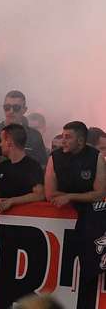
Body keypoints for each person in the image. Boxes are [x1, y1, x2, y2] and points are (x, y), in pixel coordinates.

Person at [44, 121, 106, 307]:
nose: (63, 141)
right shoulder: (54, 158)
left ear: (81, 140)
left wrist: (70, 196)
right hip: (59, 223)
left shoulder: (95, 157)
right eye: (62, 136)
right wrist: (84, 196)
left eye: (68, 137)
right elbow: (50, 194)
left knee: (88, 268)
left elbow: (100, 193)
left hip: (90, 220)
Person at [0, 124, 45, 213]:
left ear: (9, 142)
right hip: (1, 218)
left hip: (24, 218)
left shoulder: (32, 166)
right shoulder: (2, 166)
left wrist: (12, 201)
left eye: (2, 141)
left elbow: (39, 195)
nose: (0, 144)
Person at [0, 90, 48, 167]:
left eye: (16, 108)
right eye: (7, 107)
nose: (11, 111)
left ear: (24, 110)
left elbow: (43, 165)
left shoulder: (34, 135)